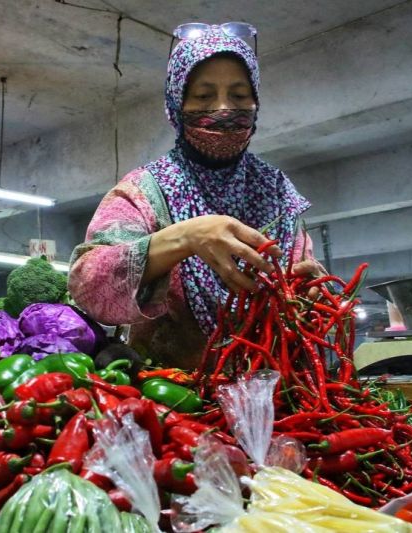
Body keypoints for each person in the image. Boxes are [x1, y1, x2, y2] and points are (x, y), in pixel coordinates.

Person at [69, 26, 322, 369]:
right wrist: (186, 237)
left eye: (238, 94)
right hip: (174, 402)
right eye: (203, 96)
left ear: (255, 102)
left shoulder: (276, 192)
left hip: (275, 398)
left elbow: (302, 288)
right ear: (177, 103)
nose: (223, 108)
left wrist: (312, 297)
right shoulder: (143, 190)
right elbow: (90, 290)